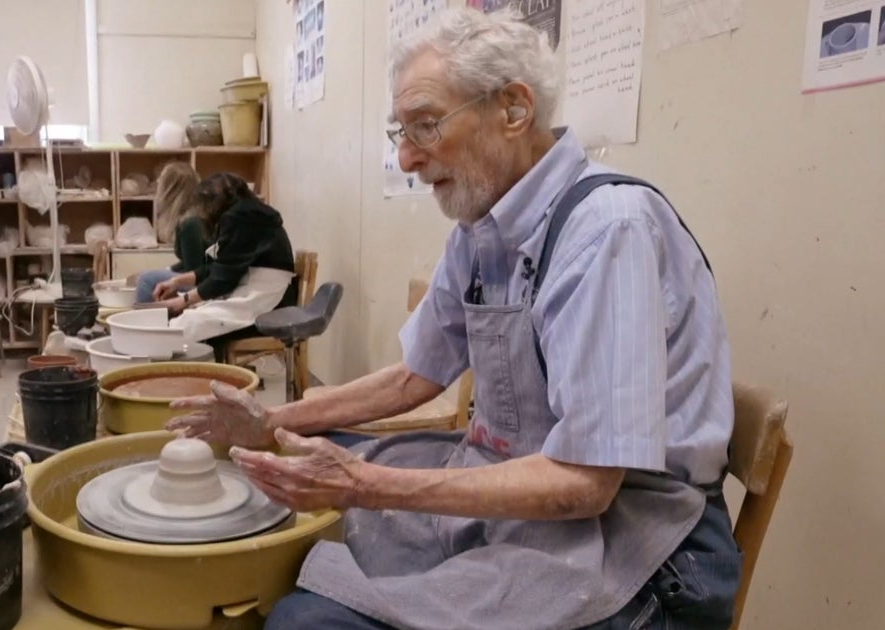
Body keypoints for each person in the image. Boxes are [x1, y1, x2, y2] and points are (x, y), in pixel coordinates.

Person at [168, 8, 740, 630]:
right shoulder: (483, 226)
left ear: (514, 110)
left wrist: (364, 483)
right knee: (303, 499)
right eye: (401, 132)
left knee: (306, 618)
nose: (408, 158)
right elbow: (415, 377)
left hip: (638, 541)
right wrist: (271, 420)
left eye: (426, 125)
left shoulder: (606, 230)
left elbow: (586, 482)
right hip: (526, 495)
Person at [151, 172, 297, 350]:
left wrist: (185, 300)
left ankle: (208, 375)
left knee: (186, 324)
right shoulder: (248, 211)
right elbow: (219, 267)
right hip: (261, 291)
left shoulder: (241, 217)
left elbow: (223, 278)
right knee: (192, 315)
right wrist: (177, 281)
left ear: (212, 202)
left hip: (268, 302)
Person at [134, 161, 208, 303]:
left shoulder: (190, 223)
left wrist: (168, 277)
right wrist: (168, 269)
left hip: (204, 282)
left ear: (171, 189)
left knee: (146, 280)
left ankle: (144, 321)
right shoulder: (191, 216)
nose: (157, 183)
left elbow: (195, 271)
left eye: (160, 181)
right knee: (147, 276)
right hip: (202, 276)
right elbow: (191, 262)